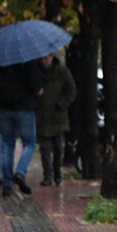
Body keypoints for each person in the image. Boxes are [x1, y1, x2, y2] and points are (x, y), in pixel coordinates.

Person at [0, 58, 44, 197]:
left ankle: (7, 184)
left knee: (7, 145)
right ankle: (20, 172)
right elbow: (35, 84)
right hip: (25, 108)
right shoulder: (28, 59)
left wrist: (0, 98)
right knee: (30, 144)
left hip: (5, 108)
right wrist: (39, 90)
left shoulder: (0, 60)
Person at [36, 53, 75, 187]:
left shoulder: (62, 72)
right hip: (42, 117)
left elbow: (71, 90)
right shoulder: (36, 72)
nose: (44, 60)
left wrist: (62, 104)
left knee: (58, 148)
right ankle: (47, 176)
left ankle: (57, 172)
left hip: (58, 117)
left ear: (52, 57)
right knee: (45, 149)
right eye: (42, 58)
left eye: (47, 58)